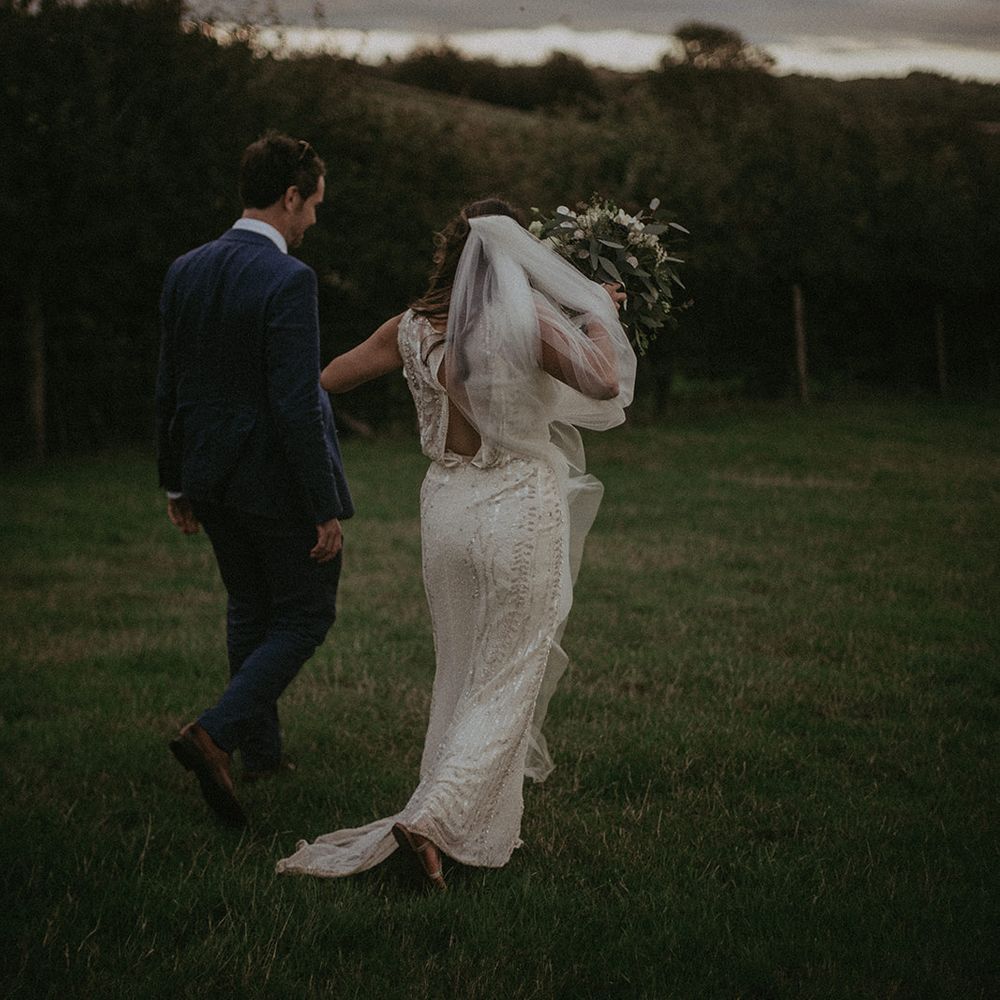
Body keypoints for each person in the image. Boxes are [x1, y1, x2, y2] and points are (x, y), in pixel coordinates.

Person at [276, 198, 635, 887]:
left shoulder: (409, 328)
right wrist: (597, 309)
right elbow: (603, 379)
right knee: (508, 674)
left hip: (445, 510)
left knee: (461, 668)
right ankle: (435, 818)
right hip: (516, 510)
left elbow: (325, 381)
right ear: (517, 258)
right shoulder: (526, 324)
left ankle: (466, 828)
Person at [156, 132, 353, 826]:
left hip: (209, 475)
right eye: (313, 205)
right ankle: (214, 734)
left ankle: (260, 754)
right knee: (306, 612)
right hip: (270, 480)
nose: (313, 222)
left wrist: (175, 481)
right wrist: (324, 504)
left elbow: (169, 382)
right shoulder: (287, 279)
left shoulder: (186, 267)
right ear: (290, 196)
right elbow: (297, 401)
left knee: (249, 606)